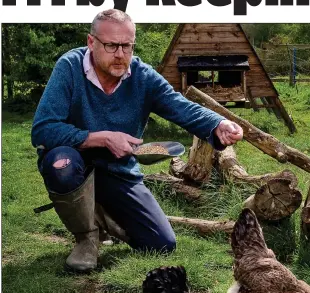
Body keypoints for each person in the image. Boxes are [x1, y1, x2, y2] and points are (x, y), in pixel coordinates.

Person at [31, 9, 243, 272]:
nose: (120, 54)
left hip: (117, 170)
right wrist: (101, 138)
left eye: (126, 46)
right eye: (111, 45)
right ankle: (86, 238)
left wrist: (217, 123)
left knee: (161, 243)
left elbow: (180, 106)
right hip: (76, 164)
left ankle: (101, 217)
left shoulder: (142, 76)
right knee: (60, 164)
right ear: (91, 42)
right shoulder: (70, 67)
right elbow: (43, 129)